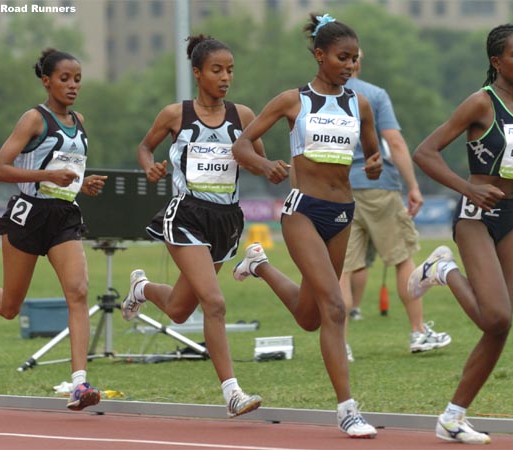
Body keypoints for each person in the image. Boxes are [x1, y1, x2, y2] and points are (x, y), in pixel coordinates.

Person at [407, 24, 513, 444]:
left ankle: (452, 418)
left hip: (511, 217)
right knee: (494, 316)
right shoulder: (480, 104)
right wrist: (467, 186)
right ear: (497, 61)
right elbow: (424, 151)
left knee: (501, 326)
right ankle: (442, 269)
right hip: (476, 214)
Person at [230, 13, 382, 439]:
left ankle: (258, 265)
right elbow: (241, 144)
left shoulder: (360, 105)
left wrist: (374, 164)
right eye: (342, 57)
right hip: (302, 211)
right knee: (335, 307)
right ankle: (348, 410)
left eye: (354, 59)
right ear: (319, 55)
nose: (350, 65)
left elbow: (372, 157)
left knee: (310, 316)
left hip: (342, 214)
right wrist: (264, 164)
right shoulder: (291, 101)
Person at [0, 48, 107, 411]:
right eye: (64, 79)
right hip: (28, 216)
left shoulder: (80, 121)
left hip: (63, 216)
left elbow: (64, 175)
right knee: (10, 307)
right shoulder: (34, 119)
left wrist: (82, 184)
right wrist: (48, 175)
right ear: (46, 81)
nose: (73, 85)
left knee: (77, 293)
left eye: (77, 79)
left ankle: (79, 385)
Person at [120, 35, 273, 418]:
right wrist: (149, 166)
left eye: (230, 70)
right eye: (217, 70)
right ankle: (232, 393)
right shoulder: (176, 114)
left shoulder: (245, 116)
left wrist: (270, 169)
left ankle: (141, 288)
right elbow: (143, 147)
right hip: (186, 215)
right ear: (197, 72)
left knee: (178, 309)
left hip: (226, 221)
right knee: (215, 303)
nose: (225, 78)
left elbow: (258, 160)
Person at [338, 48, 451, 357]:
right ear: (358, 61)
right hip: (379, 188)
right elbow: (396, 143)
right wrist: (413, 185)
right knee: (402, 259)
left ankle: (340, 343)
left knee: (342, 269)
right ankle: (417, 333)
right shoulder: (374, 95)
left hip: (337, 190)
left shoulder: (317, 95)